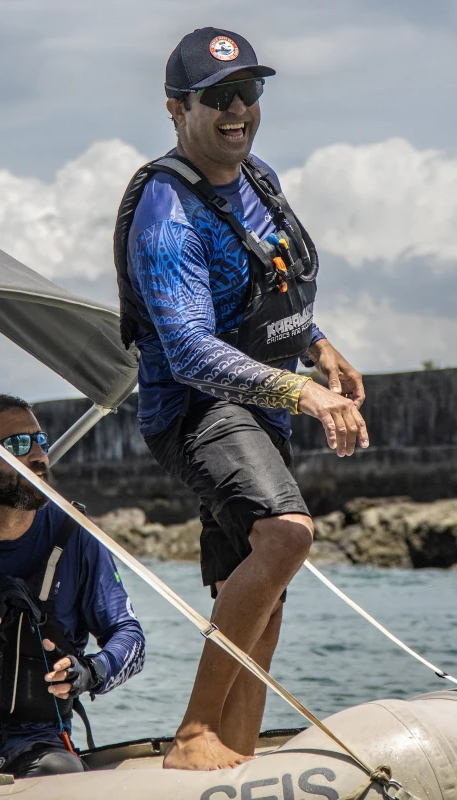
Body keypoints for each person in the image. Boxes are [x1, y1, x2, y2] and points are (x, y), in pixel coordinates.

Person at [113, 27, 369, 770]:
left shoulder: (258, 179)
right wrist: (303, 393)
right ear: (176, 108)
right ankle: (193, 733)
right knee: (287, 535)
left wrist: (318, 345)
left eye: (248, 92)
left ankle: (237, 752)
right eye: (217, 97)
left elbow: (266, 286)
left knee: (260, 583)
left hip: (260, 404)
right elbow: (191, 352)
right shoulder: (166, 214)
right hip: (195, 410)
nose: (237, 110)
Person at [0, 393, 145, 777]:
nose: (40, 456)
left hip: (36, 745)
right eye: (18, 444)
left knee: (59, 772)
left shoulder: (78, 538)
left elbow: (131, 636)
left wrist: (92, 671)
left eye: (41, 440)